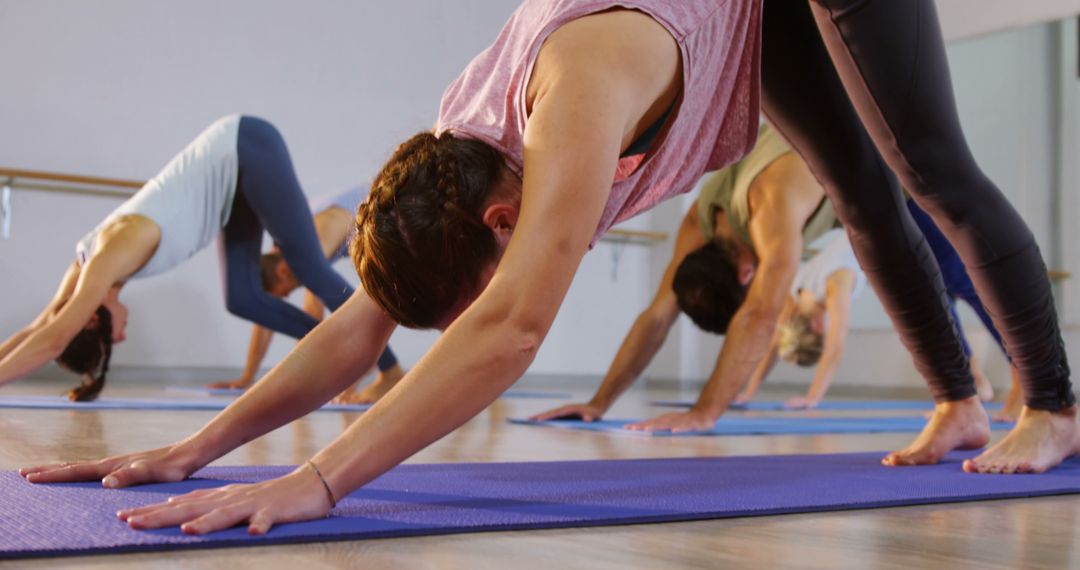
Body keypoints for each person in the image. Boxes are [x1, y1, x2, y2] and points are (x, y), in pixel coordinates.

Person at [21, 0, 1076, 538]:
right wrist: (197, 451)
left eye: (481, 272)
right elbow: (360, 324)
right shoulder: (450, 146)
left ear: (501, 215)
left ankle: (1056, 404)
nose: (492, 287)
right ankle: (959, 403)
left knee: (924, 165)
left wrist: (319, 479)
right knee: (857, 188)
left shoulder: (576, 98)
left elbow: (513, 329)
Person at [0, 115, 398, 400]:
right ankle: (341, 347)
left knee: (309, 265)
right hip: (232, 189)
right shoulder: (83, 267)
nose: (122, 335)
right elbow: (39, 330)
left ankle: (389, 368)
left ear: (88, 319)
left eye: (111, 339)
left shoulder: (110, 254)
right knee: (241, 297)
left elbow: (53, 339)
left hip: (246, 146)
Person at [206, 188, 406, 404]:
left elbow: (313, 317)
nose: (286, 295)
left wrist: (309, 380)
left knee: (359, 302)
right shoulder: (289, 246)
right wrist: (247, 377)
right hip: (378, 219)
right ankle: (383, 371)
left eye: (282, 293)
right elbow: (268, 320)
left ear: (282, 271)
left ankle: (391, 374)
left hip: (396, 207)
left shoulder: (312, 243)